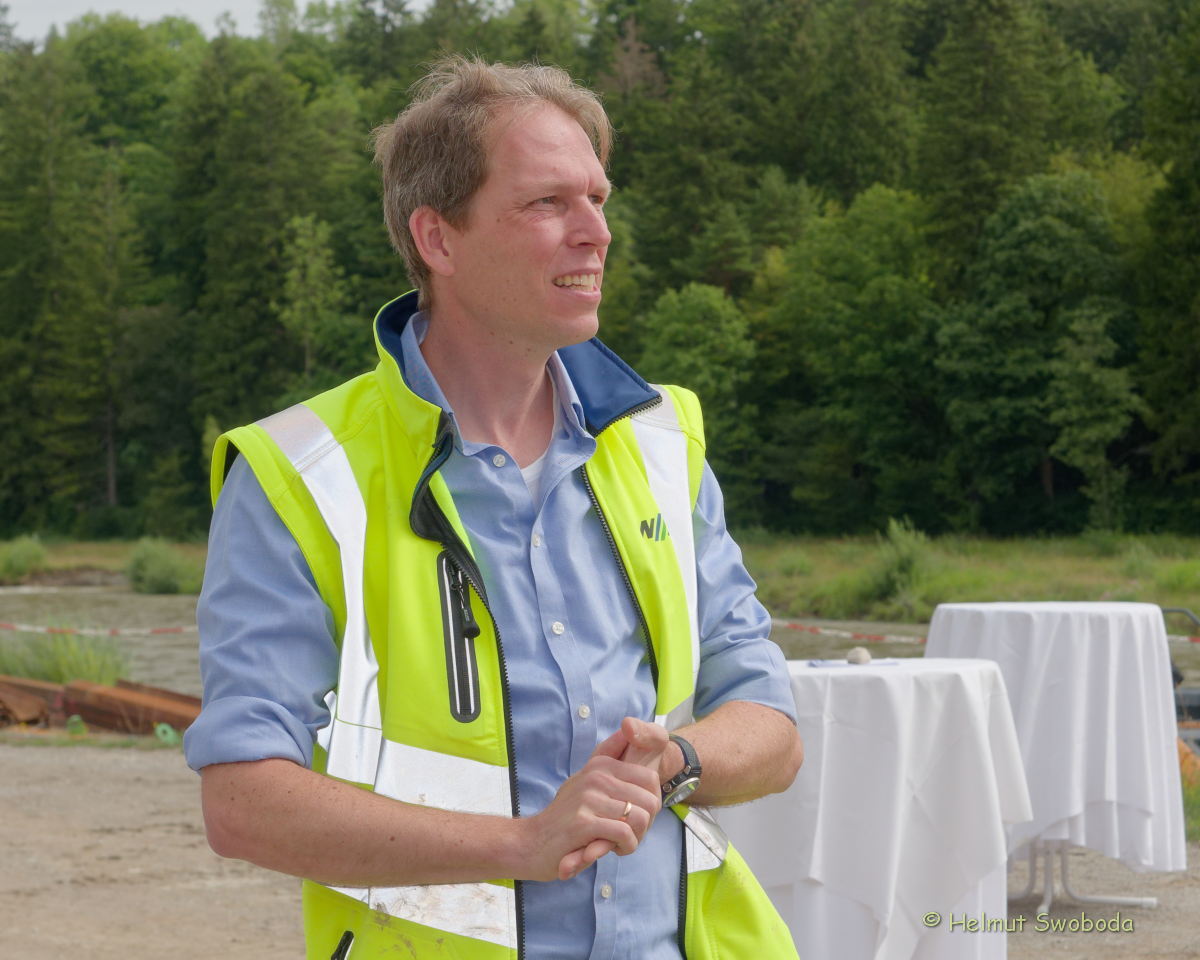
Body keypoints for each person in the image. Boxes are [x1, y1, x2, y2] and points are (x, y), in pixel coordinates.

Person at [184, 56, 803, 959]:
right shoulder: (300, 475)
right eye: (548, 203)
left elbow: (771, 724)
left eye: (598, 199)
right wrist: (522, 845)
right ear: (438, 239)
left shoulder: (663, 442)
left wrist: (674, 764)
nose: (596, 232)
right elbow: (243, 802)